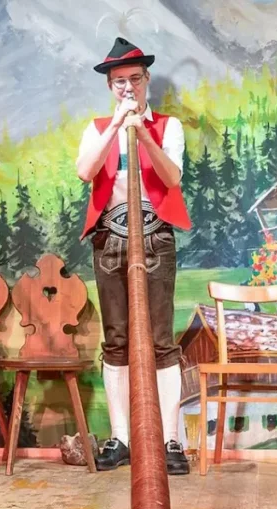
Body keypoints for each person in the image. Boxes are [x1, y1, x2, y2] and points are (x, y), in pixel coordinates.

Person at [76, 37, 191, 475]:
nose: (128, 88)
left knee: (162, 342)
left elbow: (172, 177)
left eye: (135, 80)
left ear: (146, 82)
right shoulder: (96, 127)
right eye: (120, 82)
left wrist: (141, 131)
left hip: (156, 235)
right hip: (111, 238)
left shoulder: (168, 126)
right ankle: (121, 437)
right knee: (117, 341)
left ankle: (170, 440)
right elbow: (86, 171)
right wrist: (115, 128)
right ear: (110, 86)